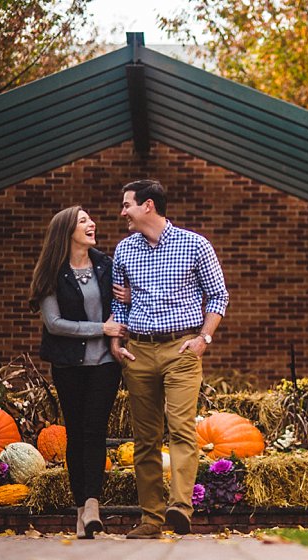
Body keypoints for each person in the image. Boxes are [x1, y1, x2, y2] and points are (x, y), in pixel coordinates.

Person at [110, 180, 229, 539]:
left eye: (127, 204)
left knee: (180, 429)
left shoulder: (195, 245)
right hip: (140, 351)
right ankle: (151, 518)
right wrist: (117, 342)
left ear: (148, 205)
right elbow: (118, 304)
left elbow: (218, 296)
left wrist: (203, 339)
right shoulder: (124, 251)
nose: (122, 212)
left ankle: (180, 507)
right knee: (145, 439)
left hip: (182, 350)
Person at [30, 206, 128, 539]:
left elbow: (121, 305)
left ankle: (92, 506)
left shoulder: (106, 265)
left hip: (105, 364)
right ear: (66, 230)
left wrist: (125, 300)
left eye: (90, 219)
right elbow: (54, 324)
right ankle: (79, 511)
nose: (92, 224)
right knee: (75, 432)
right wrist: (102, 327)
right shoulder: (50, 272)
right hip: (69, 365)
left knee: (95, 430)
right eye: (83, 220)